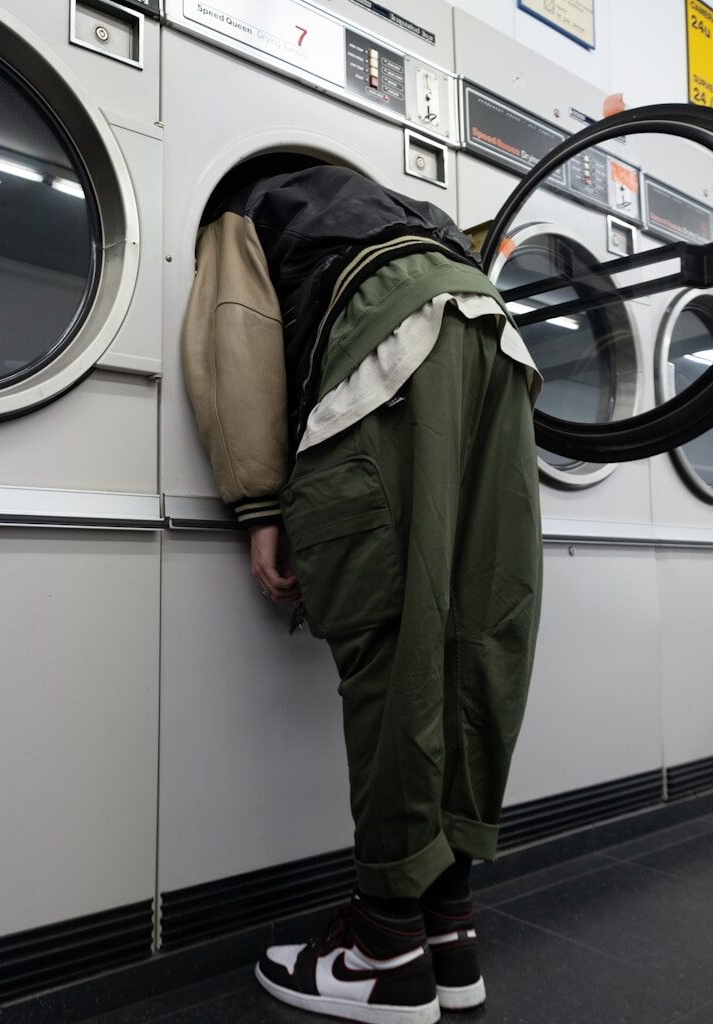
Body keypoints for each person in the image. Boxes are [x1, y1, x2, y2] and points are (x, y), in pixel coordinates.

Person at [182, 164, 543, 1024]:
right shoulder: (413, 211)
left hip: (388, 338)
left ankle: (383, 946)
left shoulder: (253, 206)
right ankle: (446, 927)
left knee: (399, 651)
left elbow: (238, 335)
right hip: (497, 340)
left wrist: (260, 503)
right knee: (475, 643)